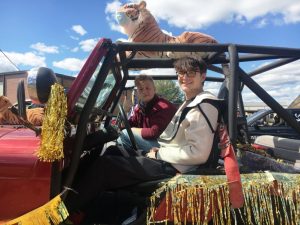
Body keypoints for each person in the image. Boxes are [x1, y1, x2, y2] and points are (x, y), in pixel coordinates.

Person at [65, 57, 220, 217]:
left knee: (105, 166)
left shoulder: (203, 104)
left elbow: (199, 153)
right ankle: (92, 203)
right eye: (180, 73)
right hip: (170, 159)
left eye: (191, 73)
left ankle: (63, 213)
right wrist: (159, 150)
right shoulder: (191, 102)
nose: (184, 77)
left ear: (203, 76)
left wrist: (159, 154)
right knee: (113, 151)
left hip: (177, 168)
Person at [117, 74, 177, 152]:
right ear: (137, 92)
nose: (145, 92)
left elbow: (154, 132)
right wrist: (125, 110)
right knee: (121, 137)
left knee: (124, 135)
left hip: (166, 146)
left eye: (148, 88)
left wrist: (133, 130)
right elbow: (127, 126)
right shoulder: (140, 108)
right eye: (141, 89)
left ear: (154, 89)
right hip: (154, 142)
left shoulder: (163, 106)